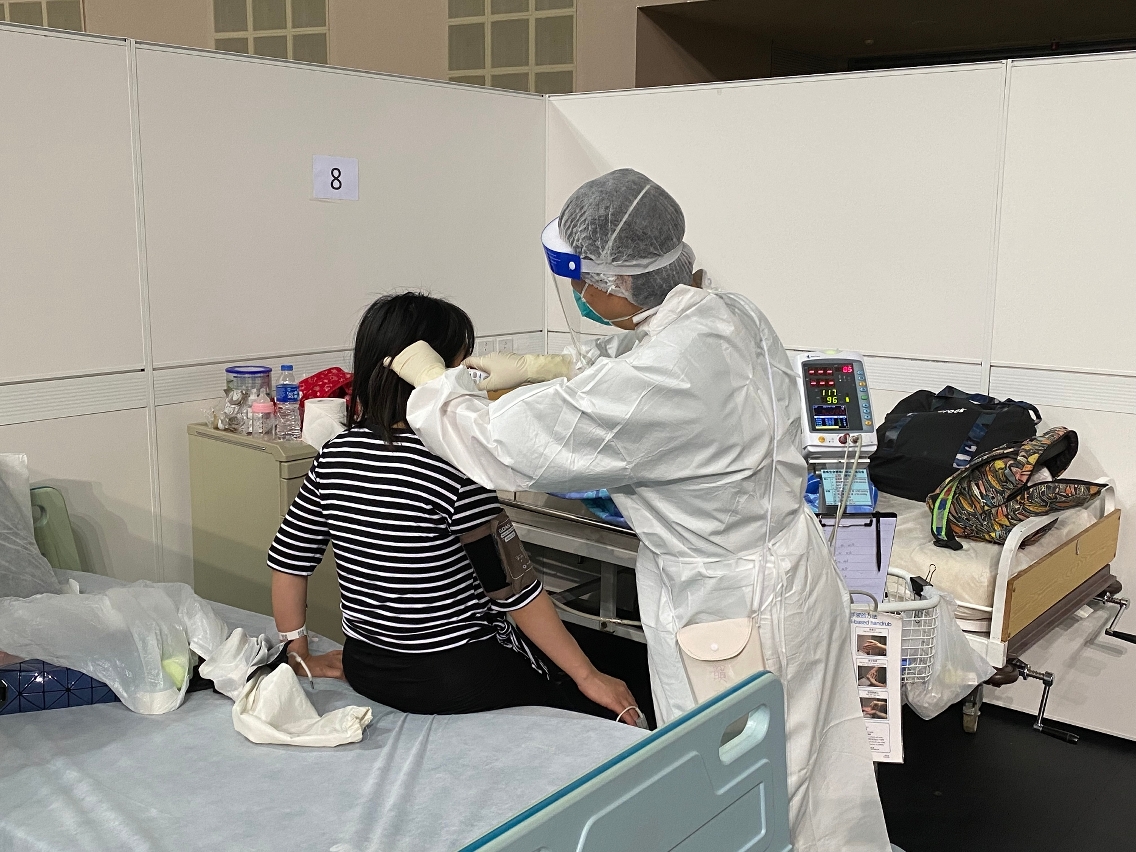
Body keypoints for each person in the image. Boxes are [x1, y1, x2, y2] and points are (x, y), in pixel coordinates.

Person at [387, 170, 891, 851]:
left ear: (617, 279)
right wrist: (549, 367)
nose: (579, 296)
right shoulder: (728, 312)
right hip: (788, 572)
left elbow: (501, 445)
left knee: (735, 779)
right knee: (811, 764)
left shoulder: (661, 381)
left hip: (729, 605)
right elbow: (647, 352)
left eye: (581, 281)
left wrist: (437, 388)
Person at [268, 292, 640, 724]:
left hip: (368, 666)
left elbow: (288, 561)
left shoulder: (336, 454)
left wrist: (298, 653)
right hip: (452, 676)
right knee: (616, 675)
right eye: (461, 364)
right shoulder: (454, 465)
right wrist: (589, 677)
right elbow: (515, 590)